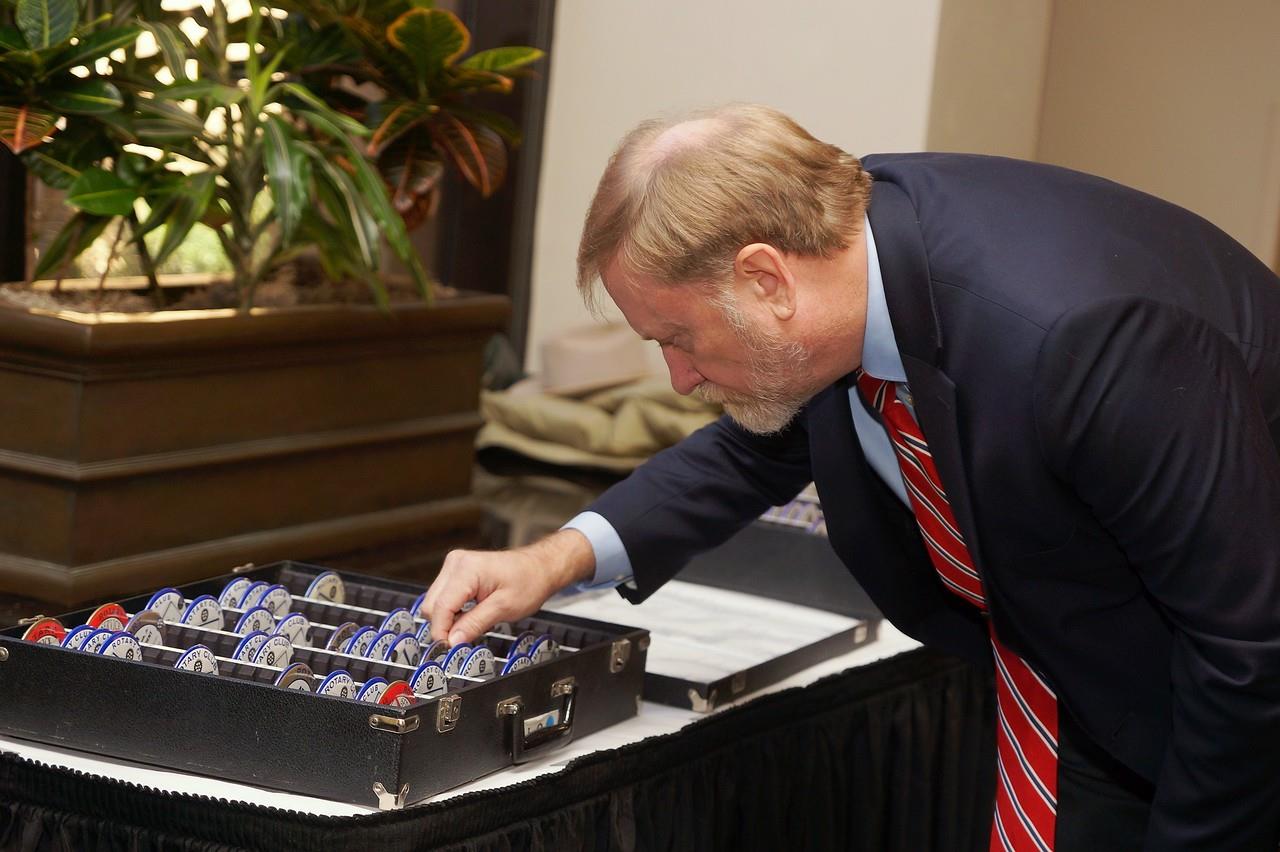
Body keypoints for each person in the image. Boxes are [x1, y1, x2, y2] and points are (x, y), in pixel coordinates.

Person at [421, 103, 1280, 850]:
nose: (679, 381)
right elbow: (752, 448)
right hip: (1089, 686)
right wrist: (554, 559)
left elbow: (1247, 652)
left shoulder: (1083, 339)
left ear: (765, 279)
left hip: (1229, 713)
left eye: (676, 339)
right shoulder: (845, 275)